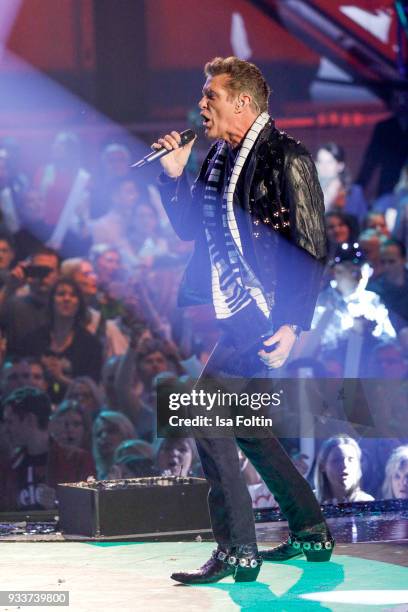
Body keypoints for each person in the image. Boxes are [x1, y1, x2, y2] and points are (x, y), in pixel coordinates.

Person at [156, 56, 333, 584]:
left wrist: (292, 324)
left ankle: (238, 551)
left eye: (211, 95)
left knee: (207, 414)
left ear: (244, 103)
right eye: (202, 94)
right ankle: (310, 531)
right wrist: (173, 177)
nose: (201, 103)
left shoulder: (286, 156)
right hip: (238, 310)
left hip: (264, 312)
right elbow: (192, 229)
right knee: (249, 431)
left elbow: (310, 244)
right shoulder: (217, 158)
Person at [0, 387, 95, 511]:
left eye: (10, 422)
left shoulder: (77, 460)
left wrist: (56, 506)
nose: (5, 429)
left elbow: (89, 510)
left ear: (30, 420)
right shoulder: (9, 466)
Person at [316, 143, 367, 226]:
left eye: (330, 162)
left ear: (340, 166)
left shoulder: (354, 193)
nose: (324, 167)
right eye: (320, 161)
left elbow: (362, 224)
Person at [314, 435, 374, 504]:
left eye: (350, 459)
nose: (345, 465)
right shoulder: (310, 501)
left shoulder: (367, 503)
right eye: (336, 460)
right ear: (322, 466)